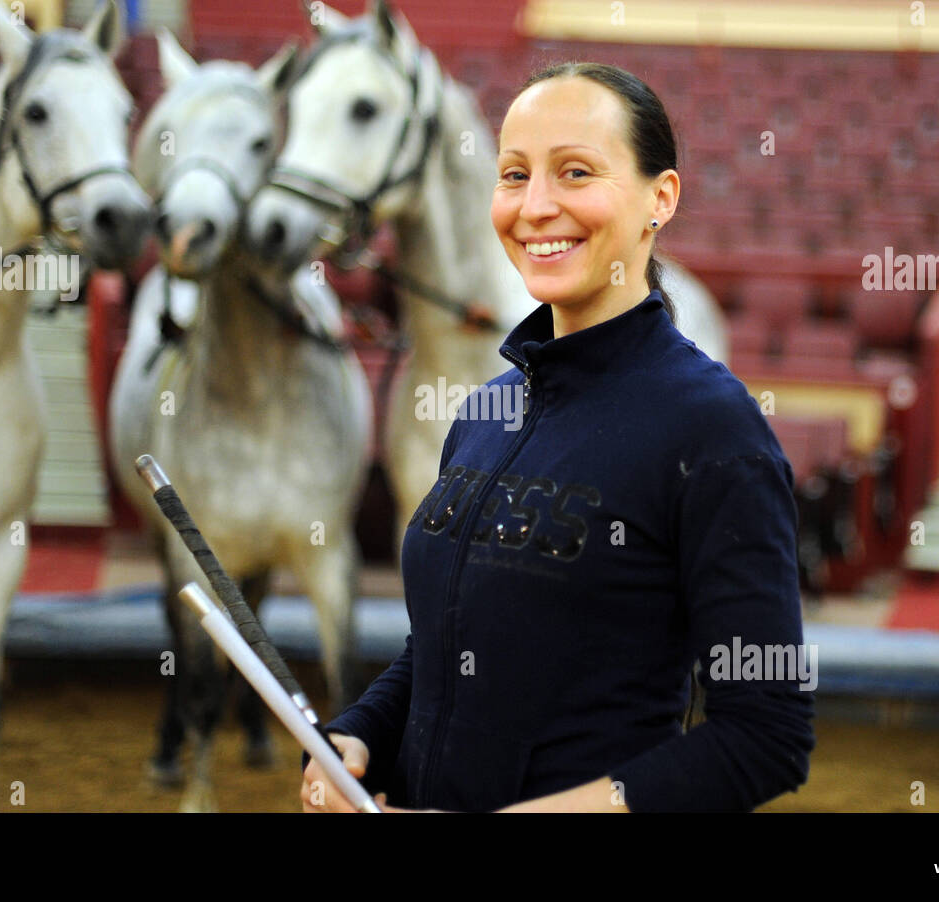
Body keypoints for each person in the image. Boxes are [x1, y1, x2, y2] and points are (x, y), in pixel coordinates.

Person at [301, 61, 815, 812]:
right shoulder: (482, 413)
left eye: (575, 173)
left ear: (659, 199)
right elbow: (438, 648)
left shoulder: (714, 431)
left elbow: (765, 736)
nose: (535, 206)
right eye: (514, 175)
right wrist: (360, 735)